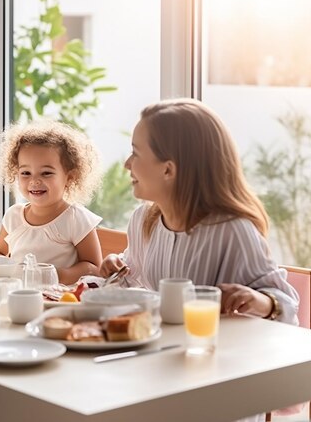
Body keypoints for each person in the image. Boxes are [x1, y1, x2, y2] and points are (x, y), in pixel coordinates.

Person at [99, 98, 299, 325]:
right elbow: (134, 279)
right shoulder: (144, 219)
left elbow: (287, 305)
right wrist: (116, 267)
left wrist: (261, 301)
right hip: (166, 346)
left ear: (168, 170)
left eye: (135, 153)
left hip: (213, 350)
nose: (127, 163)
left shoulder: (232, 231)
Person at [0, 120, 103, 284]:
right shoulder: (13, 216)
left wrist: (56, 276)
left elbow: (94, 267)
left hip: (60, 302)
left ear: (69, 177)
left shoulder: (75, 218)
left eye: (46, 173)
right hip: (19, 297)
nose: (34, 180)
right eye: (26, 173)